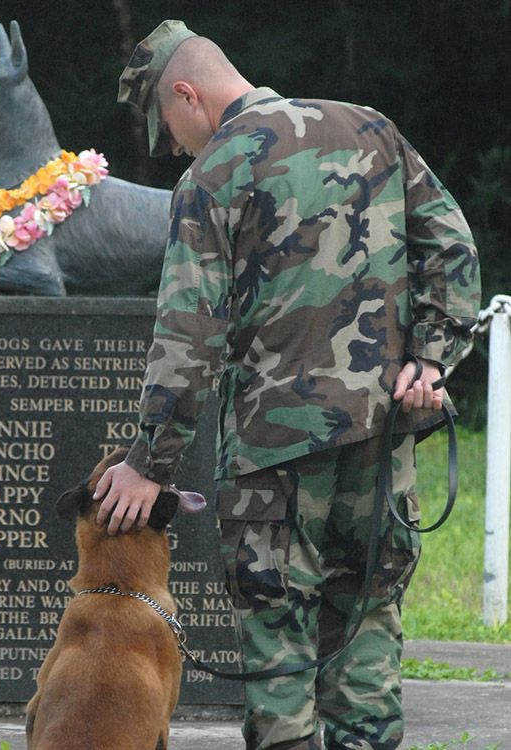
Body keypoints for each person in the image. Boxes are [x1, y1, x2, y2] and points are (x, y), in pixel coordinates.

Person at [95, 19, 481, 750]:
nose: (175, 144)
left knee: (278, 637)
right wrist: (429, 362)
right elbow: (453, 246)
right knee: (367, 617)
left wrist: (150, 464)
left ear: (187, 94)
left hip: (274, 455)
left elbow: (189, 335)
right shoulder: (372, 129)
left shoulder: (211, 175)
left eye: (169, 127)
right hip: (382, 435)